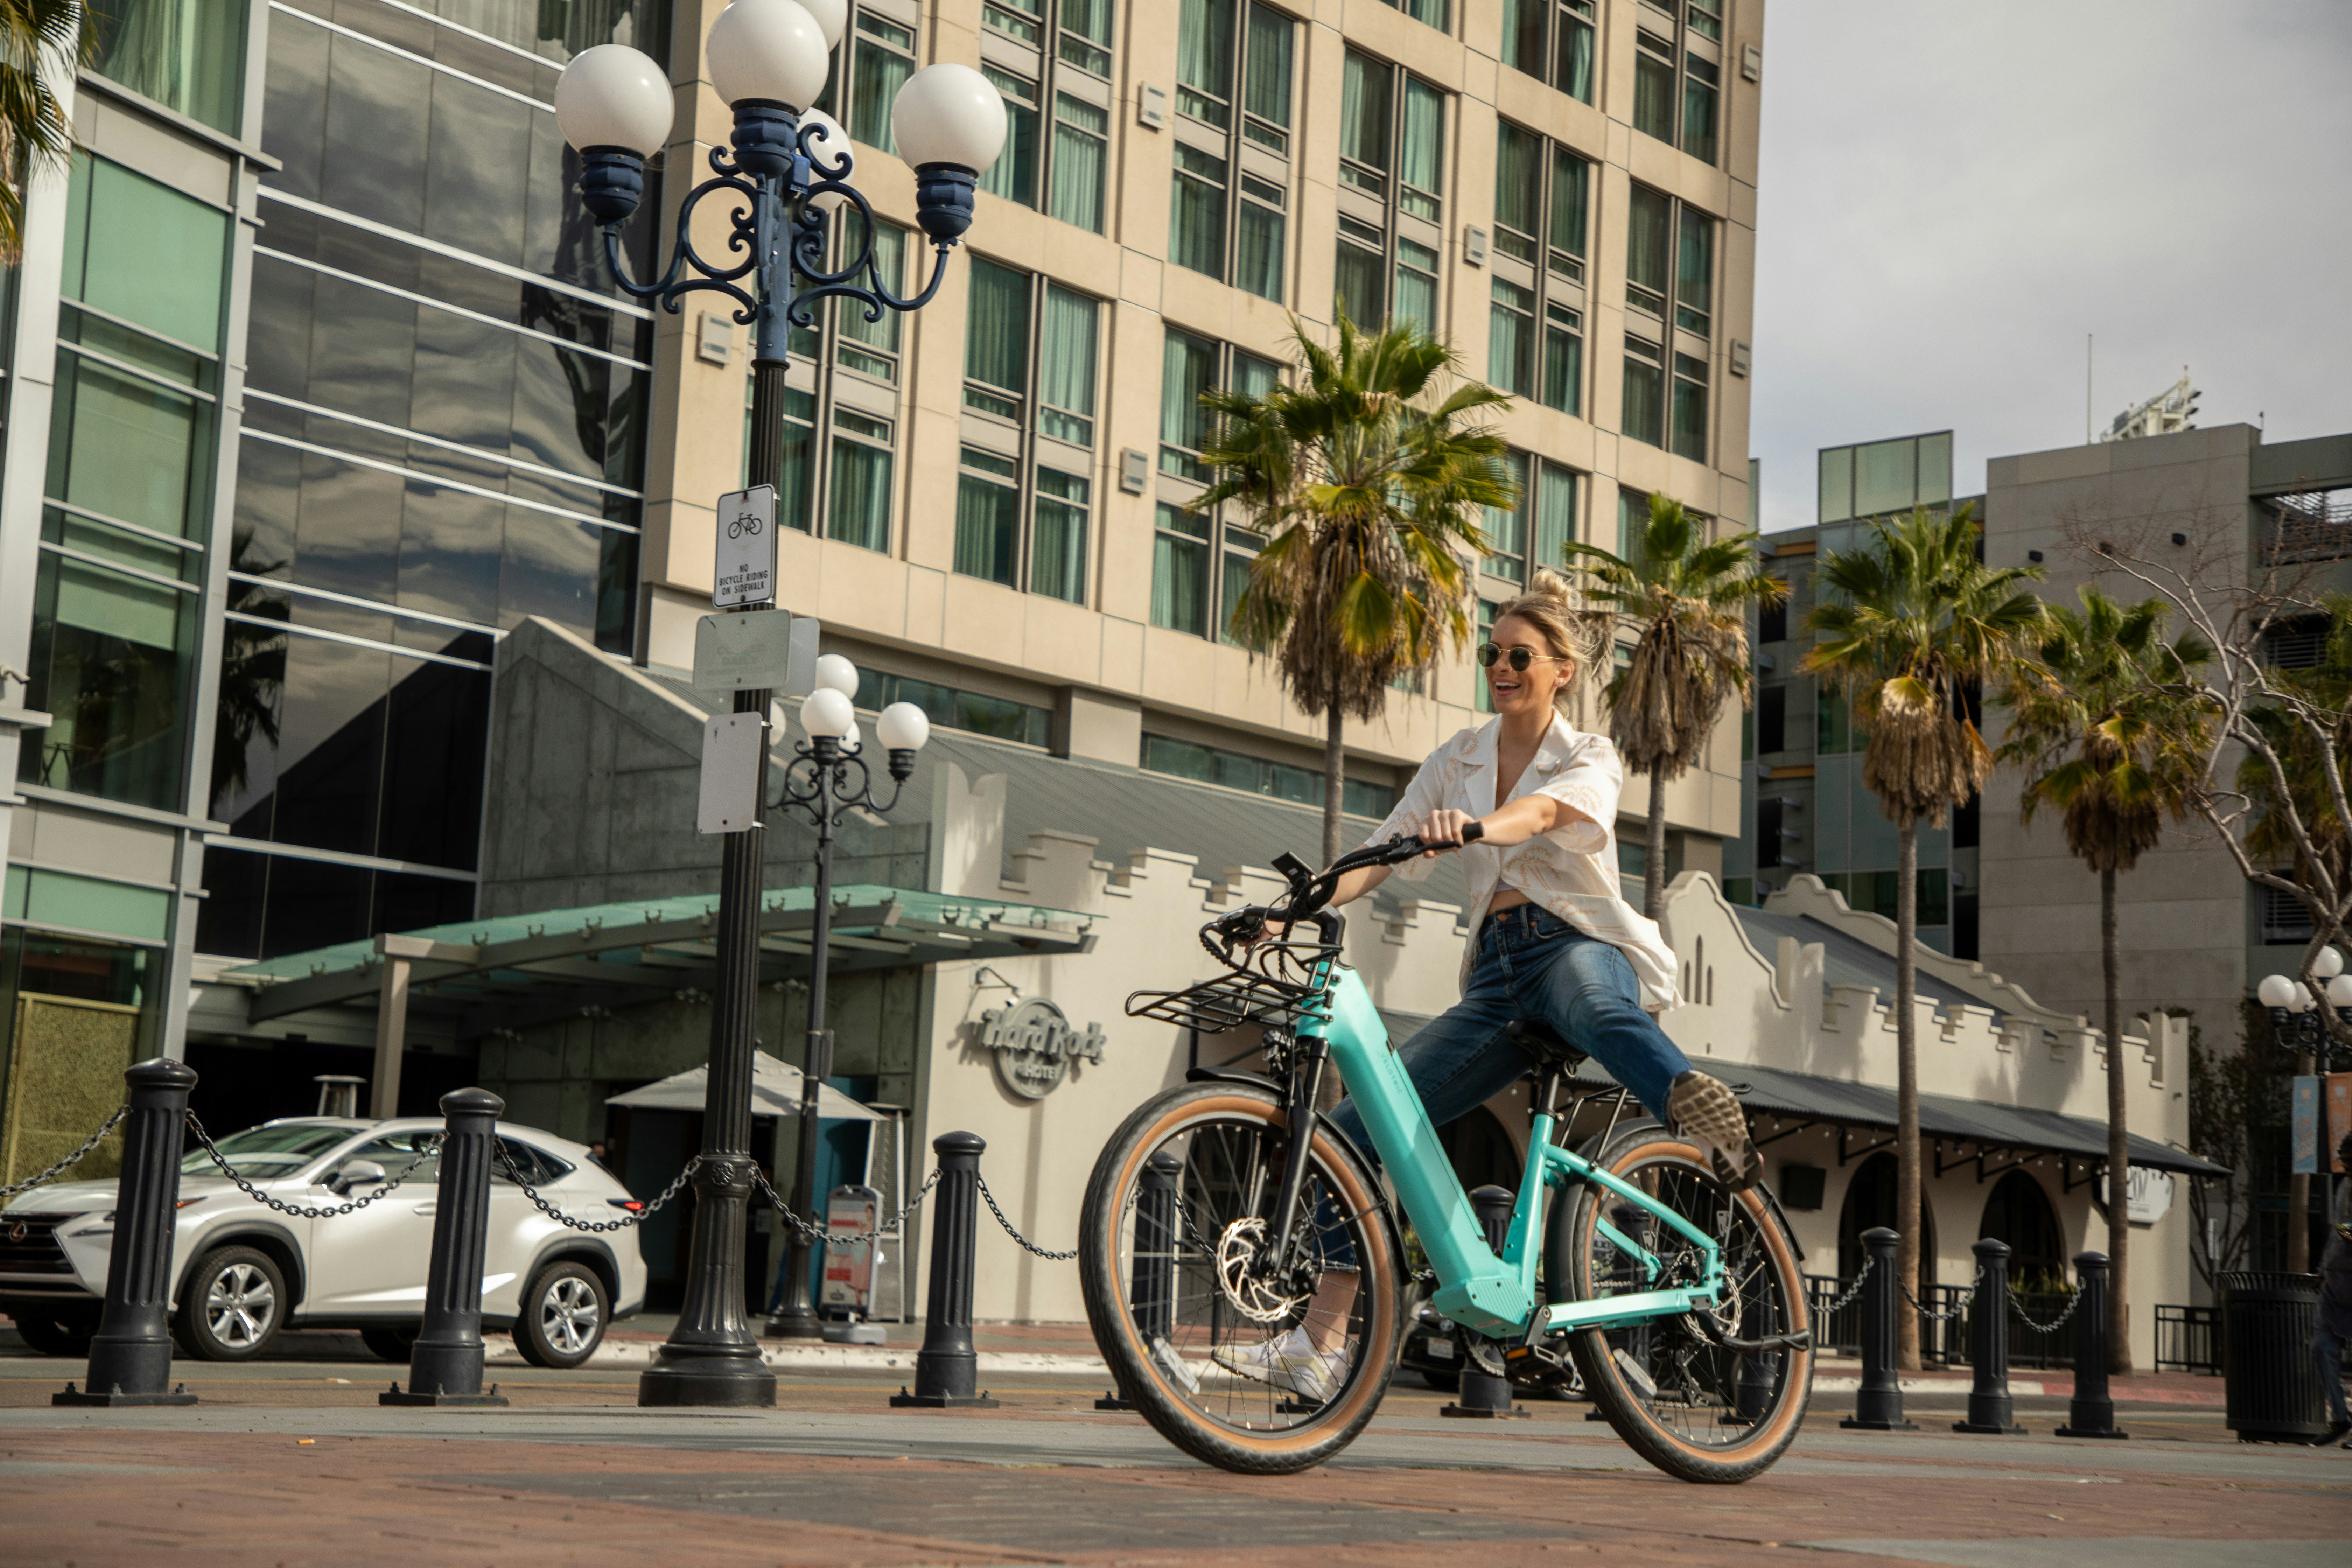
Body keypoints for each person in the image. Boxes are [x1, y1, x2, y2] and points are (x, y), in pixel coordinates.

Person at [1214, 571, 1761, 1400]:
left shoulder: (1589, 754)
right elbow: (1382, 849)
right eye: (1491, 655)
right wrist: (1290, 913)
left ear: (1561, 670)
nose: (1501, 668)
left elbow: (1545, 817)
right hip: (1499, 977)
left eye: (1520, 656)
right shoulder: (1459, 757)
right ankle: (1318, 1345)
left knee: (1601, 1011)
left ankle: (1690, 1106)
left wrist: (1474, 827)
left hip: (1572, 944)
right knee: (1358, 1126)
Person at [2317, 1129, 2352, 1447]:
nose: (2345, 1162)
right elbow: (2336, 1231)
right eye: (2343, 1157)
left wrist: (2343, 1229)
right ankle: (2340, 1417)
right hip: (2335, 1281)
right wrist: (2322, 1270)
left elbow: (2345, 1229)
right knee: (2323, 1347)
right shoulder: (2344, 1186)